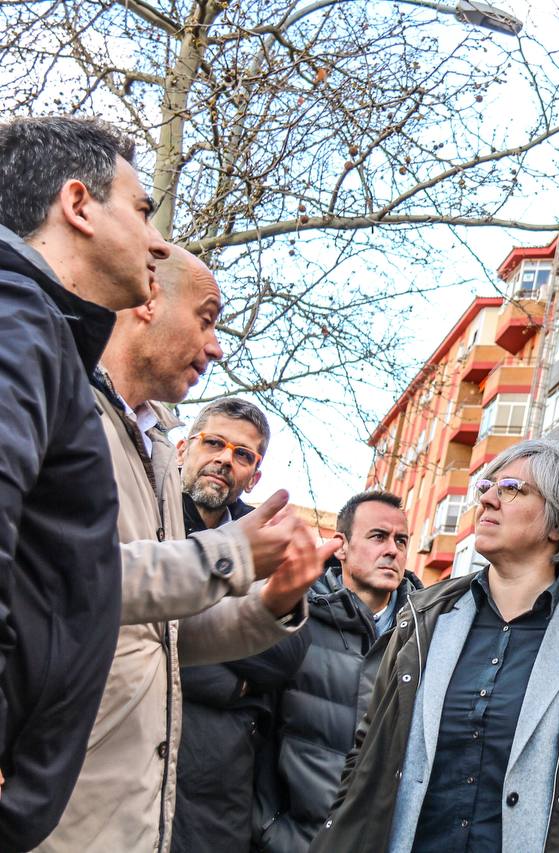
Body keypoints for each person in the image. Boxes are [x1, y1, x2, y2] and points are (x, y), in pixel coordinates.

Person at [36, 246, 338, 853]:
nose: (217, 344)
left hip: (145, 796)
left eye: (244, 454)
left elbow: (168, 632)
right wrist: (228, 560)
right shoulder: (63, 408)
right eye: (206, 318)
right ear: (148, 303)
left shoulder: (148, 443)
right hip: (56, 785)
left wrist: (273, 599)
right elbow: (78, 579)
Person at [312, 439, 559, 853]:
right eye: (486, 487)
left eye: (510, 488)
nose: (486, 499)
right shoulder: (423, 618)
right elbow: (365, 752)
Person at [0, 115, 169, 850]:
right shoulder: (16, 318)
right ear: (77, 204)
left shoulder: (37, 328)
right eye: (141, 209)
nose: (157, 240)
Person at [171, 398, 311, 853]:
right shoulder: (146, 517)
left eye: (243, 454)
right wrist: (233, 686)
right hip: (125, 749)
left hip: (219, 778)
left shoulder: (268, 539)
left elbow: (284, 654)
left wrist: (180, 661)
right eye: (214, 442)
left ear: (255, 474)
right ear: (181, 449)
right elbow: (129, 631)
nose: (225, 459)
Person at [253, 490, 423, 852]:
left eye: (401, 540)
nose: (393, 550)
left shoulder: (425, 634)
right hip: (290, 841)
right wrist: (268, 828)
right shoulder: (295, 615)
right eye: (378, 537)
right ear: (341, 546)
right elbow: (254, 727)